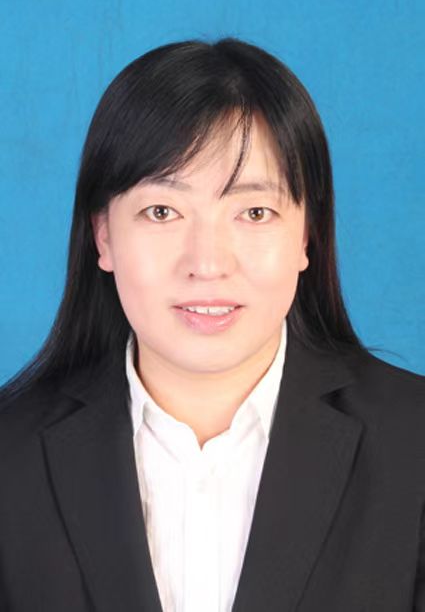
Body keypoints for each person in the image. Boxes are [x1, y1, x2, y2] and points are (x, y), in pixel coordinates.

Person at [0, 37, 424, 612]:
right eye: (162, 212)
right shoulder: (11, 458)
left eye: (254, 212)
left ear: (307, 235)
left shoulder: (413, 445)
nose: (207, 263)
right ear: (103, 236)